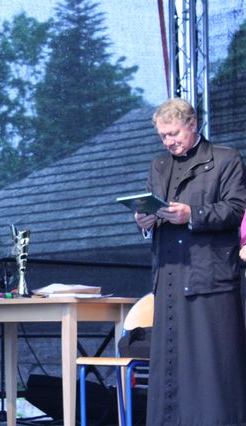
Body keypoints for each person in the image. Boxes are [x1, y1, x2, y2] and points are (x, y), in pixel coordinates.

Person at [134, 98, 246, 425]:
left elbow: (236, 209)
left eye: (174, 133)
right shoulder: (159, 165)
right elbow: (151, 208)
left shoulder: (226, 158)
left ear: (193, 124)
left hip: (209, 276)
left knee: (213, 364)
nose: (168, 141)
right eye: (163, 136)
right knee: (170, 364)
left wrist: (192, 214)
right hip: (169, 275)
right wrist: (144, 222)